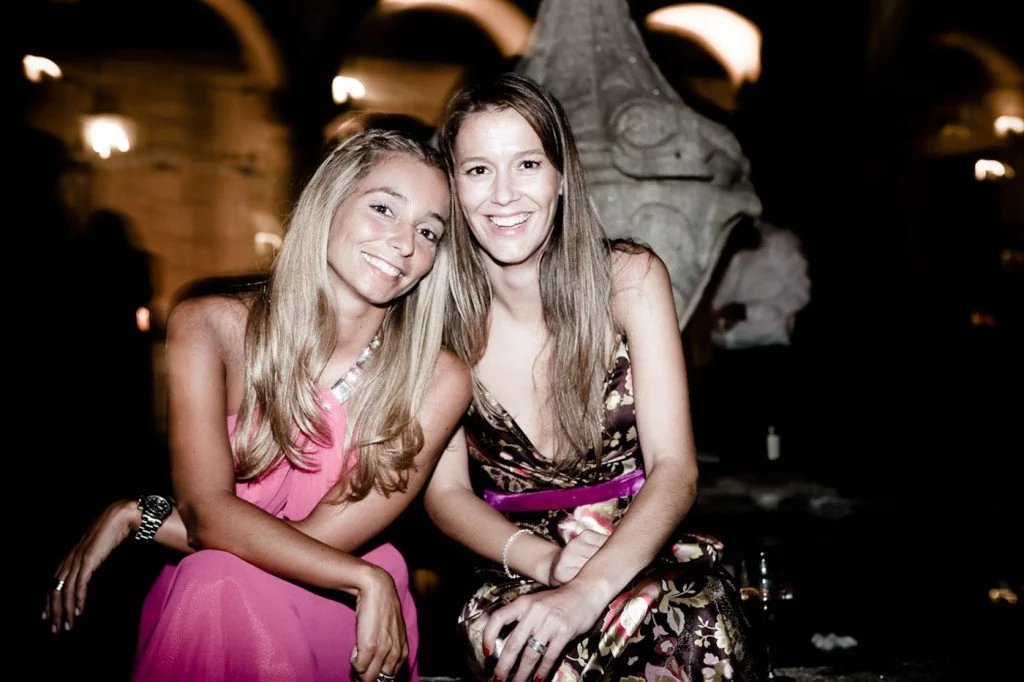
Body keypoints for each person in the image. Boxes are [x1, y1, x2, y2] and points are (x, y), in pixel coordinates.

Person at [44, 128, 472, 682]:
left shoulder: (436, 377)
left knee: (215, 578)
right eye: (383, 208)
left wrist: (143, 518)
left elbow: (315, 542)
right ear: (328, 202)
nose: (404, 242)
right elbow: (206, 510)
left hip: (337, 612)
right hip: (313, 589)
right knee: (214, 581)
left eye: (428, 231)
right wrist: (367, 580)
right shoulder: (209, 325)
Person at [424, 72, 759, 682]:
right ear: (451, 188)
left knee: (695, 626)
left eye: (526, 163)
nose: (503, 195)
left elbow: (674, 468)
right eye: (477, 170)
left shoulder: (629, 280)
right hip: (514, 561)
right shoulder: (437, 318)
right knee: (525, 647)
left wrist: (588, 590)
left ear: (559, 179)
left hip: (640, 548)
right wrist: (548, 565)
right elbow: (446, 495)